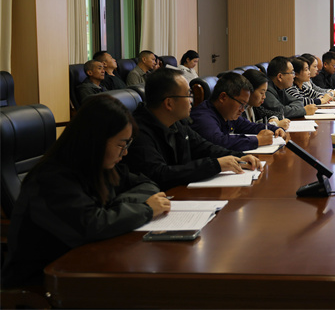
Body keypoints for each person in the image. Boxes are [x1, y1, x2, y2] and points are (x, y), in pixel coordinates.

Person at [1, 95, 170, 288]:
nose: (125, 152)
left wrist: (117, 208)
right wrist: (145, 210)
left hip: (84, 267)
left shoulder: (100, 166)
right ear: (96, 141)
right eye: (121, 144)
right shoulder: (51, 179)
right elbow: (91, 225)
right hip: (41, 285)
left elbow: (147, 184)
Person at [123, 69, 260, 190]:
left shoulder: (177, 123)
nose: (192, 101)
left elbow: (204, 147)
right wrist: (215, 165)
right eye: (188, 95)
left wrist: (239, 157)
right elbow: (160, 174)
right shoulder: (137, 132)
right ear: (169, 103)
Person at [190, 72, 285, 151]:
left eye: (245, 105)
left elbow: (249, 126)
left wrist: (274, 129)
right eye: (241, 104)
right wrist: (257, 140)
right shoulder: (203, 117)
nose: (242, 109)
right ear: (223, 97)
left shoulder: (227, 113)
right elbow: (219, 142)